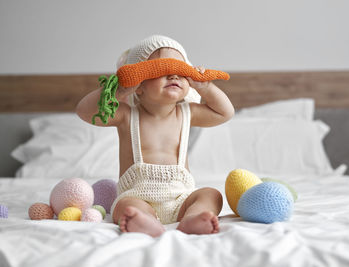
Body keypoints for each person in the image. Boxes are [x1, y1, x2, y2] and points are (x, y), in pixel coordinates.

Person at [76, 35, 234, 237]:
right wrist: (120, 88)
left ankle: (192, 218)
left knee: (212, 195)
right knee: (124, 206)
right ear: (138, 85)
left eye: (180, 71)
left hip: (180, 198)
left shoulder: (187, 112)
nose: (174, 76)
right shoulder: (126, 115)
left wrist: (205, 87)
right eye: (162, 71)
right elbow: (84, 111)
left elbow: (225, 112)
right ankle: (145, 221)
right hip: (138, 196)